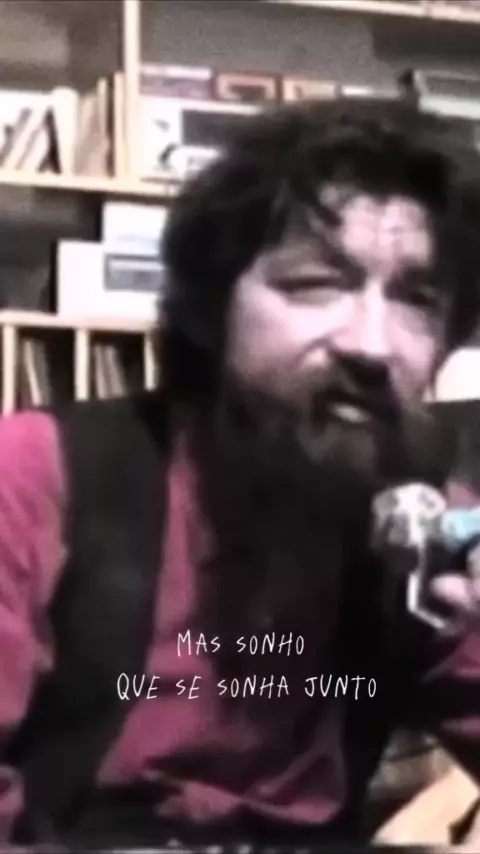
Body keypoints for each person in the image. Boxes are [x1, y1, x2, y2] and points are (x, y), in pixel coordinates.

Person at [2, 97, 480, 849]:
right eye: (315, 283)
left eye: (418, 299)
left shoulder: (428, 529)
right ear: (210, 307)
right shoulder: (37, 474)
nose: (373, 345)